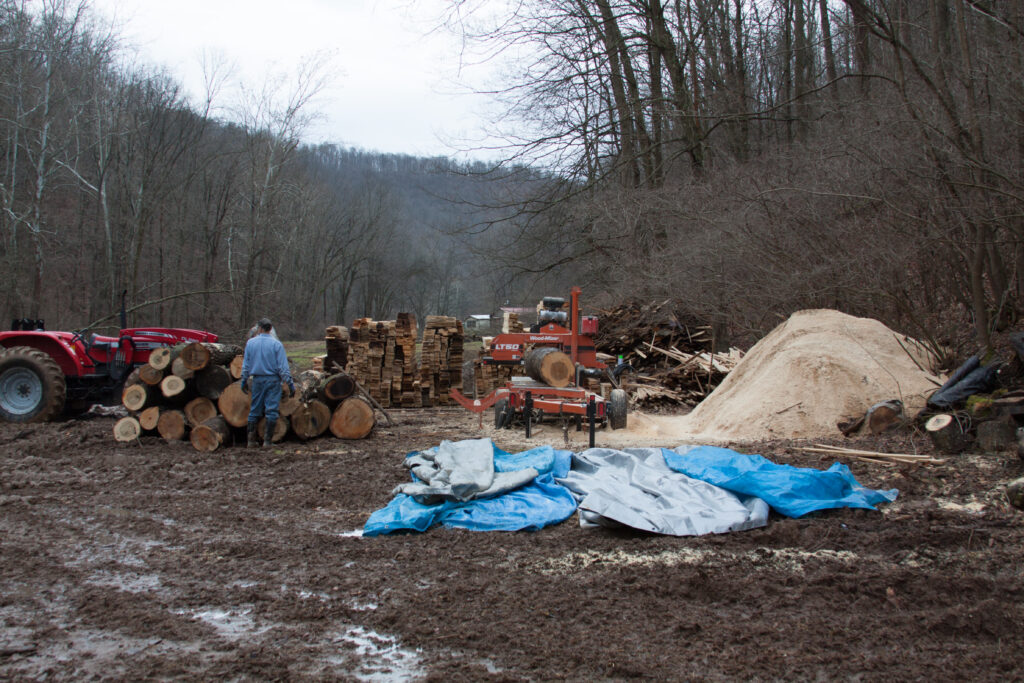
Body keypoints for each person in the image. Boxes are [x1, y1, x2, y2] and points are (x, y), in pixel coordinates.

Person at [240, 317, 294, 447]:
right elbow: (283, 368)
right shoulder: (276, 345)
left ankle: (251, 440)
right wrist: (290, 384)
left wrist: (244, 380)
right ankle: (268, 441)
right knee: (271, 410)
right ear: (270, 329)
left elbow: (246, 365)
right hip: (273, 381)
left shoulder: (251, 343)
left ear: (259, 328)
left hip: (257, 380)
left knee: (254, 410)